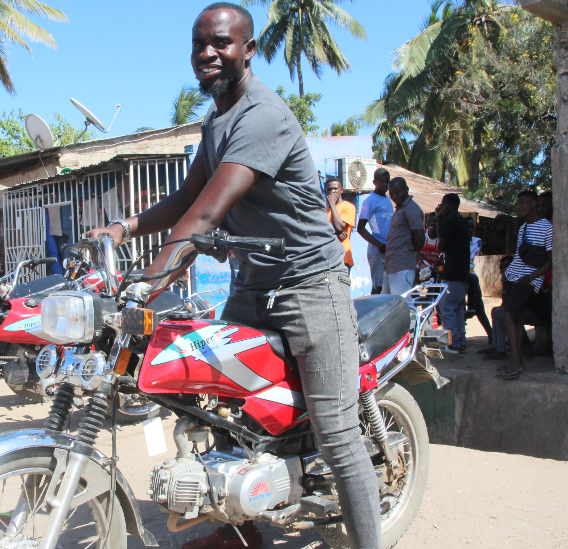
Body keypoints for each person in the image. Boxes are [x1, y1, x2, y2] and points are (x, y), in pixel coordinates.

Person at [86, 4, 380, 548]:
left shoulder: (262, 115)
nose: (207, 53)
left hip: (308, 285)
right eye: (199, 44)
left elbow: (205, 216)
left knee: (338, 435)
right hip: (253, 286)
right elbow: (187, 196)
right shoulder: (216, 119)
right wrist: (125, 228)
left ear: (248, 49)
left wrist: (146, 286)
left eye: (220, 43)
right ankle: (237, 531)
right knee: (225, 410)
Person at [499, 190, 553, 379]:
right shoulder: (523, 228)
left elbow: (549, 262)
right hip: (517, 278)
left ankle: (516, 363)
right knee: (516, 318)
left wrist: (531, 278)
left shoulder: (547, 228)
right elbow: (520, 257)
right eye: (517, 203)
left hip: (530, 280)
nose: (519, 206)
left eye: (523, 203)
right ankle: (516, 358)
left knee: (507, 314)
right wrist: (509, 274)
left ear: (534, 203)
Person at [435, 194, 471, 353]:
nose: (441, 207)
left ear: (450, 205)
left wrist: (440, 220)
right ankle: (459, 341)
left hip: (452, 271)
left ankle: (452, 343)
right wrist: (439, 219)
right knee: (457, 309)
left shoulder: (450, 222)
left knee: (447, 307)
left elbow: (440, 244)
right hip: (463, 272)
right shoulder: (463, 222)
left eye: (443, 204)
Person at [382, 177, 424, 295]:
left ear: (406, 189)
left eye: (398, 192)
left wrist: (405, 250)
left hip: (402, 268)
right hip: (392, 267)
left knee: (403, 307)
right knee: (387, 306)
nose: (395, 196)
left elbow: (420, 239)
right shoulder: (401, 209)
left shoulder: (412, 209)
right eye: (392, 194)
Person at [357, 167, 393, 294]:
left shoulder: (387, 199)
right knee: (378, 287)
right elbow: (360, 228)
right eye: (381, 182)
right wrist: (379, 245)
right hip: (377, 250)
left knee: (387, 287)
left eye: (387, 182)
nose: (385, 185)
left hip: (388, 248)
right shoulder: (370, 201)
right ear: (374, 183)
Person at [464, 217, 493, 344]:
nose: (470, 230)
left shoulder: (477, 241)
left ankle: (491, 334)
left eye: (472, 227)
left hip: (469, 274)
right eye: (467, 227)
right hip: (460, 275)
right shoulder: (457, 241)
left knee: (479, 307)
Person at [325, 176, 356, 274]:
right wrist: (335, 233)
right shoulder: (325, 211)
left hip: (343, 258)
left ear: (341, 190)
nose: (332, 191)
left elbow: (339, 227)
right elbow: (323, 232)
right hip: (328, 258)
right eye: (329, 189)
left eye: (335, 189)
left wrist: (332, 204)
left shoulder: (348, 207)